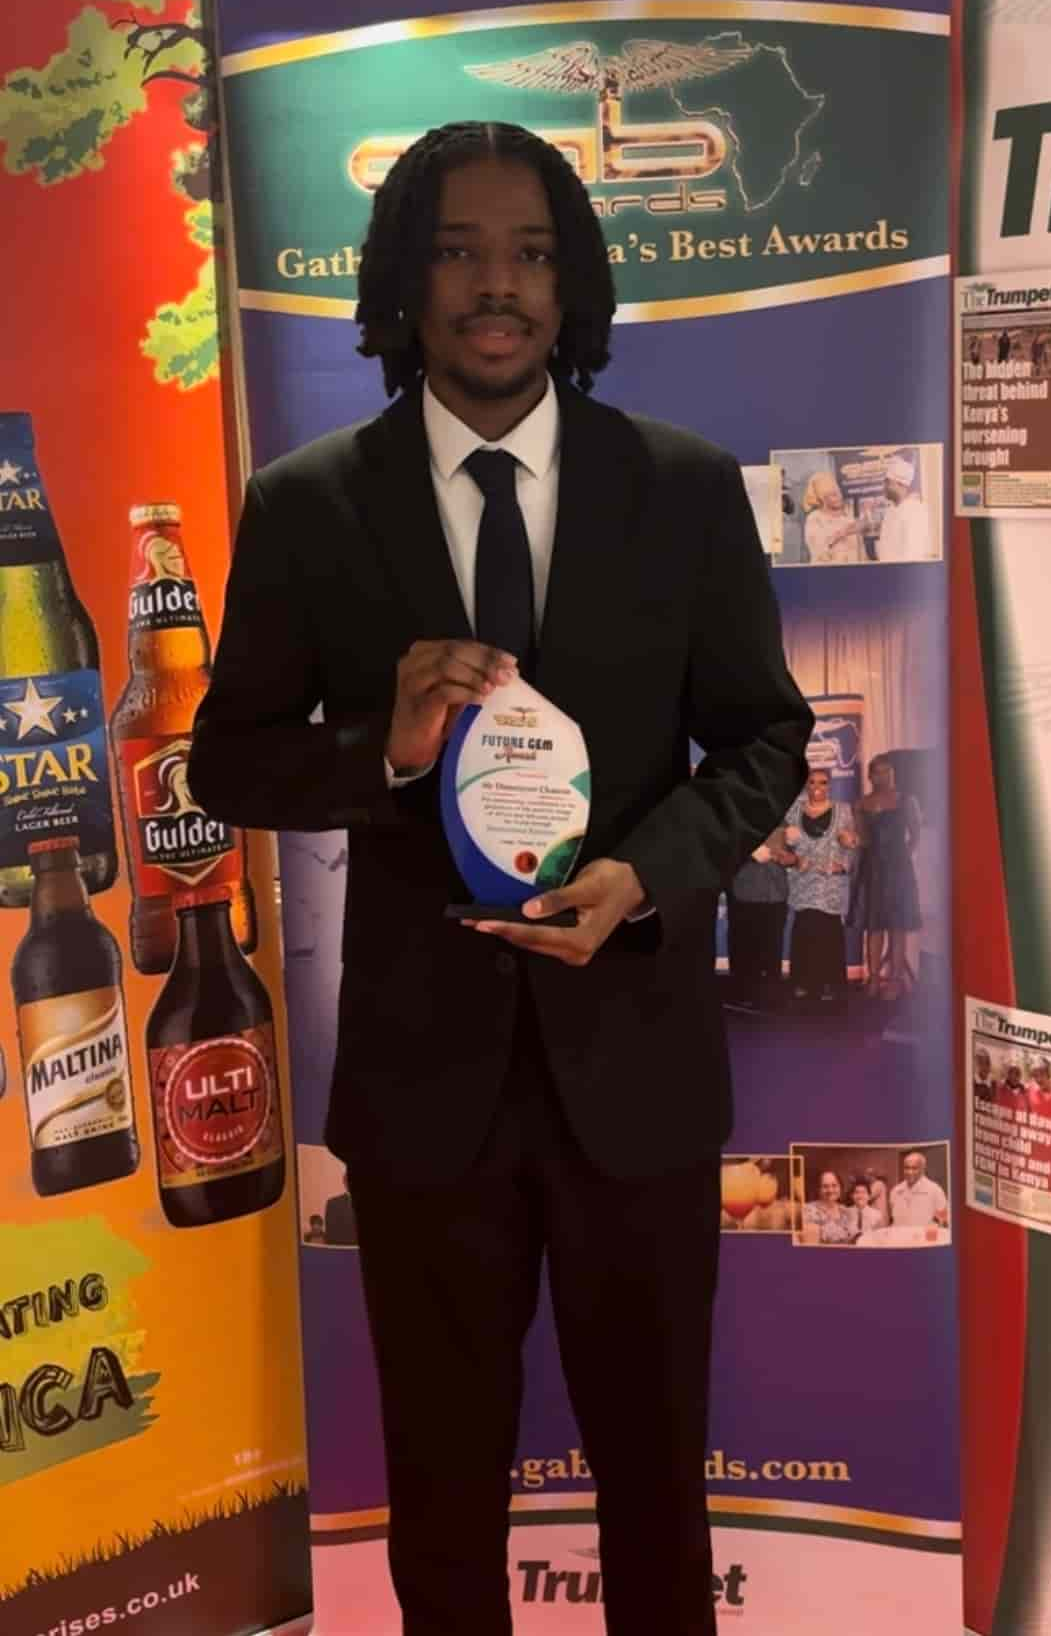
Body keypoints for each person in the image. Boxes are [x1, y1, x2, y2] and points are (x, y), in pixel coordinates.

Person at [188, 119, 812, 1636]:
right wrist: (384, 747)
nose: (497, 286)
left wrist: (645, 878)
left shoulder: (678, 487)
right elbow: (229, 766)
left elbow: (764, 739)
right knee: (443, 1488)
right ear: (406, 279)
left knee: (656, 1477)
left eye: (531, 254)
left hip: (637, 1076)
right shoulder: (307, 502)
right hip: (422, 1087)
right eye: (460, 249)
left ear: (572, 285)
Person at [780, 768, 857, 999]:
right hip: (803, 880)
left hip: (829, 883)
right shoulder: (793, 811)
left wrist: (842, 864)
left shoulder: (843, 810)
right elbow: (783, 846)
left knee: (829, 932)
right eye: (812, 782)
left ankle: (830, 984)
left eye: (822, 782)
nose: (817, 787)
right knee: (804, 930)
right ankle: (803, 982)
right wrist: (793, 860)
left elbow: (853, 845)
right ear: (805, 785)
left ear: (829, 785)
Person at [851, 755, 922, 997]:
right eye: (879, 772)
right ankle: (873, 979)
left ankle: (894, 980)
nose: (884, 776)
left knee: (897, 926)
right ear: (870, 776)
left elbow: (915, 835)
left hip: (898, 871)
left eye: (888, 771)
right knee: (874, 926)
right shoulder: (861, 804)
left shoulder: (906, 800)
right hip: (872, 870)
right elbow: (863, 839)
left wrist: (901, 859)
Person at [724, 825, 791, 1001]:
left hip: (774, 892)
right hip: (744, 891)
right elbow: (722, 848)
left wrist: (790, 855)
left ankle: (770, 994)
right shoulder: (735, 816)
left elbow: (798, 850)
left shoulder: (785, 817)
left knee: (772, 947)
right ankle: (742, 992)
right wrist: (750, 855)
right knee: (743, 948)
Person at [876, 453, 932, 562]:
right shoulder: (891, 510)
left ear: (901, 484)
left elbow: (912, 555)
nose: (884, 487)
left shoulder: (915, 511)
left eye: (887, 482)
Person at [801, 471, 862, 565]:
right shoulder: (815, 519)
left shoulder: (849, 514)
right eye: (832, 495)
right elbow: (820, 553)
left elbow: (860, 551)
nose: (838, 497)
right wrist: (842, 533)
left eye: (838, 492)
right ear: (822, 498)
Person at [889, 1150, 949, 1228]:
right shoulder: (895, 1191)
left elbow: (944, 1220)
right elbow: (893, 1219)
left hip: (923, 1238)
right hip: (900, 1237)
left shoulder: (934, 1190)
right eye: (907, 1168)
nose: (910, 1172)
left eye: (914, 1168)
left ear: (923, 1169)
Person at [801, 1169, 855, 1245]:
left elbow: (854, 1238)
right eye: (825, 1186)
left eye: (834, 1185)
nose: (830, 1190)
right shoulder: (808, 1210)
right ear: (818, 1189)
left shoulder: (846, 1211)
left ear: (840, 1187)